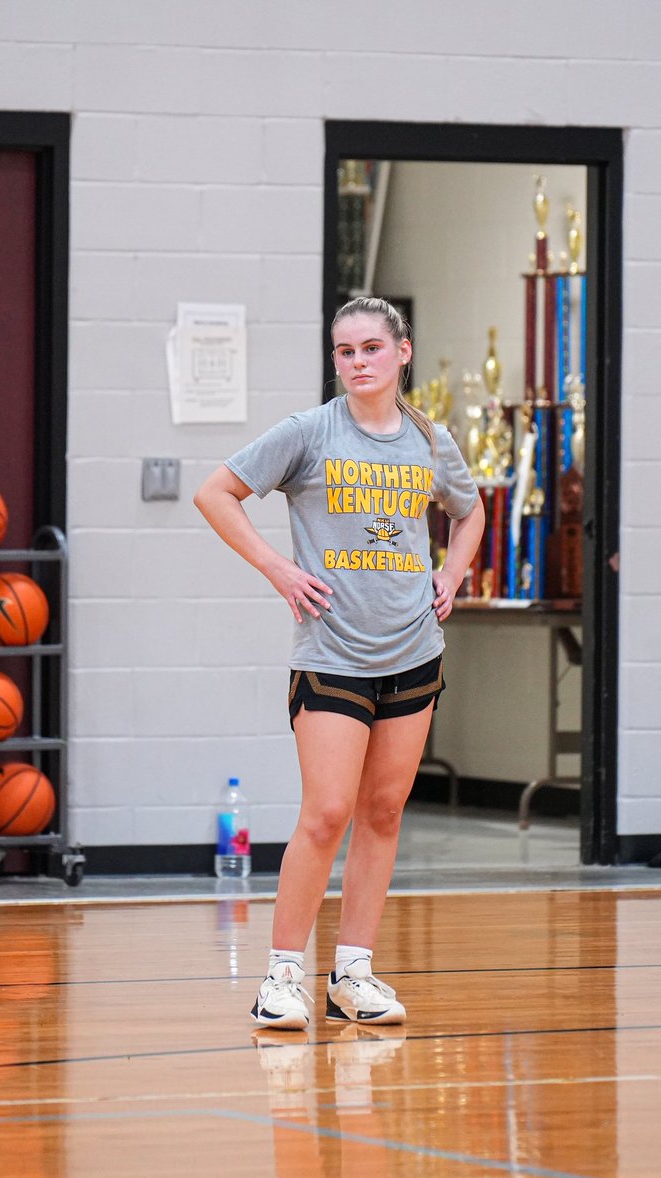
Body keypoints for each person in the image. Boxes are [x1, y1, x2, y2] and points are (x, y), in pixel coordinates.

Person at [194, 296, 485, 1030]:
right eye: (345, 351)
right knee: (327, 813)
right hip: (332, 654)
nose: (357, 361)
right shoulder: (308, 433)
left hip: (414, 651)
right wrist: (278, 569)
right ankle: (282, 975)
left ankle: (352, 972)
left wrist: (452, 574)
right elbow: (215, 493)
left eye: (371, 348)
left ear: (402, 352)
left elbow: (470, 510)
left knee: (382, 812)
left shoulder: (431, 440)